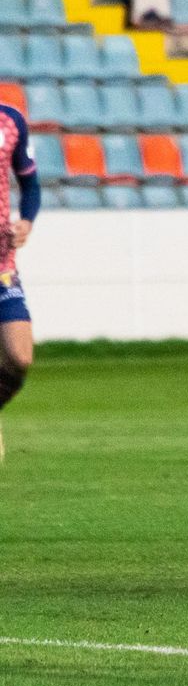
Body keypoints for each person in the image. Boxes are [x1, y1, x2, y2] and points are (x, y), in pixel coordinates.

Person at [0, 101, 41, 462]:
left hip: (2, 264)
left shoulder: (10, 121)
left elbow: (30, 184)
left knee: (20, 355)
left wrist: (26, 221)